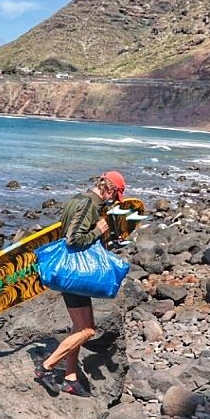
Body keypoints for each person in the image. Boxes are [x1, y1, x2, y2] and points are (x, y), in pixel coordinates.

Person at [36, 170, 126, 397]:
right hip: (75, 274)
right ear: (110, 188)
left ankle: (70, 376)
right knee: (88, 330)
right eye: (115, 196)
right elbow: (74, 239)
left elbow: (67, 229)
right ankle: (46, 367)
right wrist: (100, 230)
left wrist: (108, 236)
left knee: (79, 327)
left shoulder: (77, 198)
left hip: (70, 273)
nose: (114, 201)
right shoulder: (89, 205)